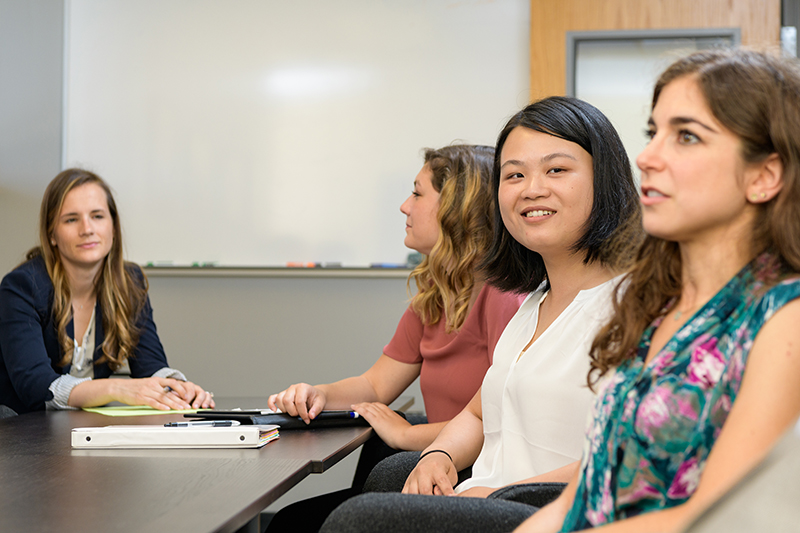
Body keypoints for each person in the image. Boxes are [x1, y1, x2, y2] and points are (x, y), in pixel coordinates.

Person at [319, 96, 642, 532]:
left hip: (550, 513)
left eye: (556, 170)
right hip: (495, 497)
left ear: (604, 179)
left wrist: (496, 495)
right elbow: (476, 414)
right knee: (388, 477)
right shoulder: (532, 306)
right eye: (514, 175)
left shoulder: (633, 307)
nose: (532, 189)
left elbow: (629, 459)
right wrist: (439, 455)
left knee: (360, 519)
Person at [510, 49, 800, 533]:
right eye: (653, 133)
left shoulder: (782, 320)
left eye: (686, 136)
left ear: (763, 176)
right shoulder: (653, 301)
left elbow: (714, 518)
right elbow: (593, 479)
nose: (647, 157)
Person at [265, 145, 524, 531]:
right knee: (296, 518)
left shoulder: (504, 296)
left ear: (458, 210)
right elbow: (374, 384)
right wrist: (316, 393)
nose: (405, 206)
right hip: (443, 458)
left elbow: (500, 421)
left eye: (418, 194)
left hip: (478, 470)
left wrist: (407, 434)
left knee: (293, 522)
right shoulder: (436, 294)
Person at [0, 168, 214, 414]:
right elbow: (36, 386)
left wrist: (177, 387)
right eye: (71, 219)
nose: (87, 229)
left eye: (97, 216)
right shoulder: (21, 286)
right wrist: (117, 389)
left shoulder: (129, 283)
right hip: (21, 433)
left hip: (87, 430)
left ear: (113, 226)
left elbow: (150, 366)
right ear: (52, 235)